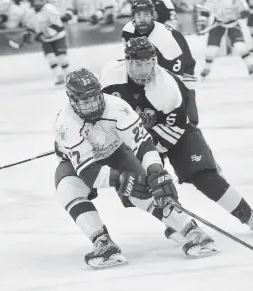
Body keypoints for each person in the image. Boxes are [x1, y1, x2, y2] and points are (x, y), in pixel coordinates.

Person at [100, 37, 253, 243]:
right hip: (135, 135)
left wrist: (151, 159)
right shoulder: (110, 76)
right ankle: (177, 224)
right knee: (139, 184)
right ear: (127, 61)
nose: (144, 70)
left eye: (148, 63)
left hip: (174, 131)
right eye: (138, 64)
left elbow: (172, 132)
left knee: (202, 175)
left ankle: (249, 215)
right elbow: (103, 115)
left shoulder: (167, 88)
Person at [54, 68, 220, 268]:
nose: (91, 105)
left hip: (115, 152)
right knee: (67, 188)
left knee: (146, 190)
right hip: (80, 164)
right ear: (72, 100)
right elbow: (89, 173)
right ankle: (102, 242)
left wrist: (156, 170)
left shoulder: (117, 106)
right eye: (84, 101)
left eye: (94, 97)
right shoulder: (66, 123)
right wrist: (121, 179)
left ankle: (189, 229)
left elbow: (143, 144)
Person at [121, 0, 199, 125]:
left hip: (182, 63)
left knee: (183, 96)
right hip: (155, 60)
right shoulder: (128, 31)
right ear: (133, 17)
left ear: (153, 16)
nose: (142, 19)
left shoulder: (166, 40)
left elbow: (175, 81)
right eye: (138, 15)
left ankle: (192, 127)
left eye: (146, 14)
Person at [197, 0, 253, 78]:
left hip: (233, 24)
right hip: (218, 23)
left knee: (240, 46)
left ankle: (249, 66)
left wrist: (244, 14)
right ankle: (207, 68)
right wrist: (201, 22)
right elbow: (206, 10)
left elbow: (245, 11)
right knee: (211, 50)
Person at [24, 0, 70, 85]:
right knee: (50, 58)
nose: (37, 3)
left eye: (39, 1)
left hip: (58, 36)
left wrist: (43, 34)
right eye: (35, 1)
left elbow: (57, 25)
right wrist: (30, 34)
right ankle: (59, 77)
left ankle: (70, 77)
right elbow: (31, 27)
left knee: (62, 58)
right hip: (45, 39)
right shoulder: (30, 13)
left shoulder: (50, 9)